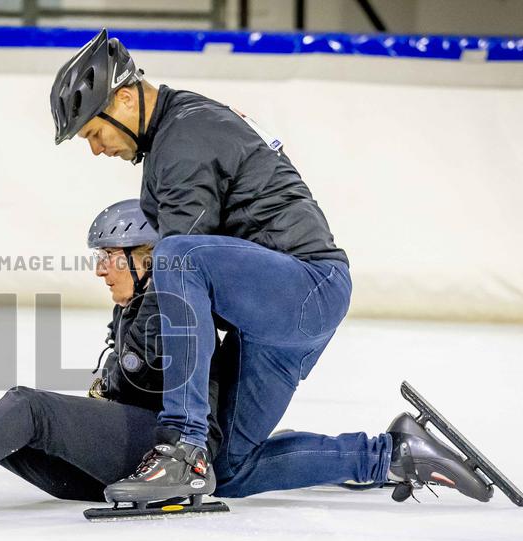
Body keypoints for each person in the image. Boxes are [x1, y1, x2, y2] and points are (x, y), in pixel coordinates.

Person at [49, 29, 493, 506]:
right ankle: (392, 455)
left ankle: (181, 448)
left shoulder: (184, 137)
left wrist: (138, 368)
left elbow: (181, 266)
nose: (96, 149)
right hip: (275, 309)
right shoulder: (176, 136)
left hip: (305, 287)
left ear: (122, 98)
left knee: (176, 255)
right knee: (228, 470)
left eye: (94, 133)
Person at [0, 200, 224, 508]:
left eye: (109, 257)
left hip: (166, 453)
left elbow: (132, 378)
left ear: (147, 259)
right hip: (123, 453)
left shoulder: (169, 304)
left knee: (29, 406)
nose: (100, 270)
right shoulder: (134, 307)